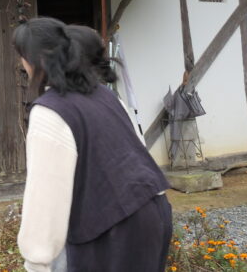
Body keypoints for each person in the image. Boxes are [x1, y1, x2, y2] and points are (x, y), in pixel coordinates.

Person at [13, 17, 172, 272]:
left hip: (112, 231)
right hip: (153, 211)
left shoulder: (50, 111)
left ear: (34, 60)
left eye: (21, 56)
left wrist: (37, 261)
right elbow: (137, 150)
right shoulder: (104, 95)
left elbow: (45, 195)